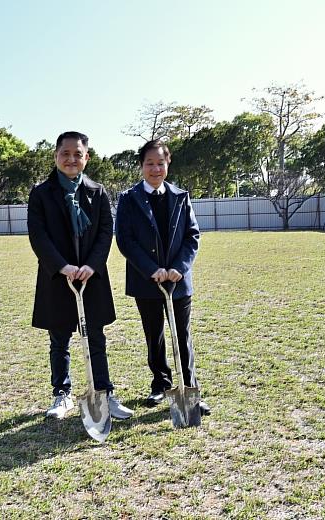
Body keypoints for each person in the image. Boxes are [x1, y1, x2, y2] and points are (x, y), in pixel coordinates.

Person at [27, 131, 133, 421]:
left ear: (86, 158)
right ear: (56, 156)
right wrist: (63, 267)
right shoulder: (40, 193)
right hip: (57, 277)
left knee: (95, 338)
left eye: (78, 154)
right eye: (66, 153)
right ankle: (62, 394)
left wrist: (91, 265)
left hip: (91, 278)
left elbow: (103, 234)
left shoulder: (97, 191)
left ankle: (104, 392)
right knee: (59, 339)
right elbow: (39, 236)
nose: (71, 159)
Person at [115, 139, 210, 415]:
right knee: (153, 335)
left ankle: (188, 387)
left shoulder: (181, 197)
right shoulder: (128, 199)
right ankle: (161, 384)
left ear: (168, 164)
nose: (155, 169)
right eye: (149, 163)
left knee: (182, 336)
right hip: (147, 282)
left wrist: (179, 267)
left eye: (160, 163)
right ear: (141, 166)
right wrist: (150, 269)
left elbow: (192, 236)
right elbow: (126, 240)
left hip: (178, 281)